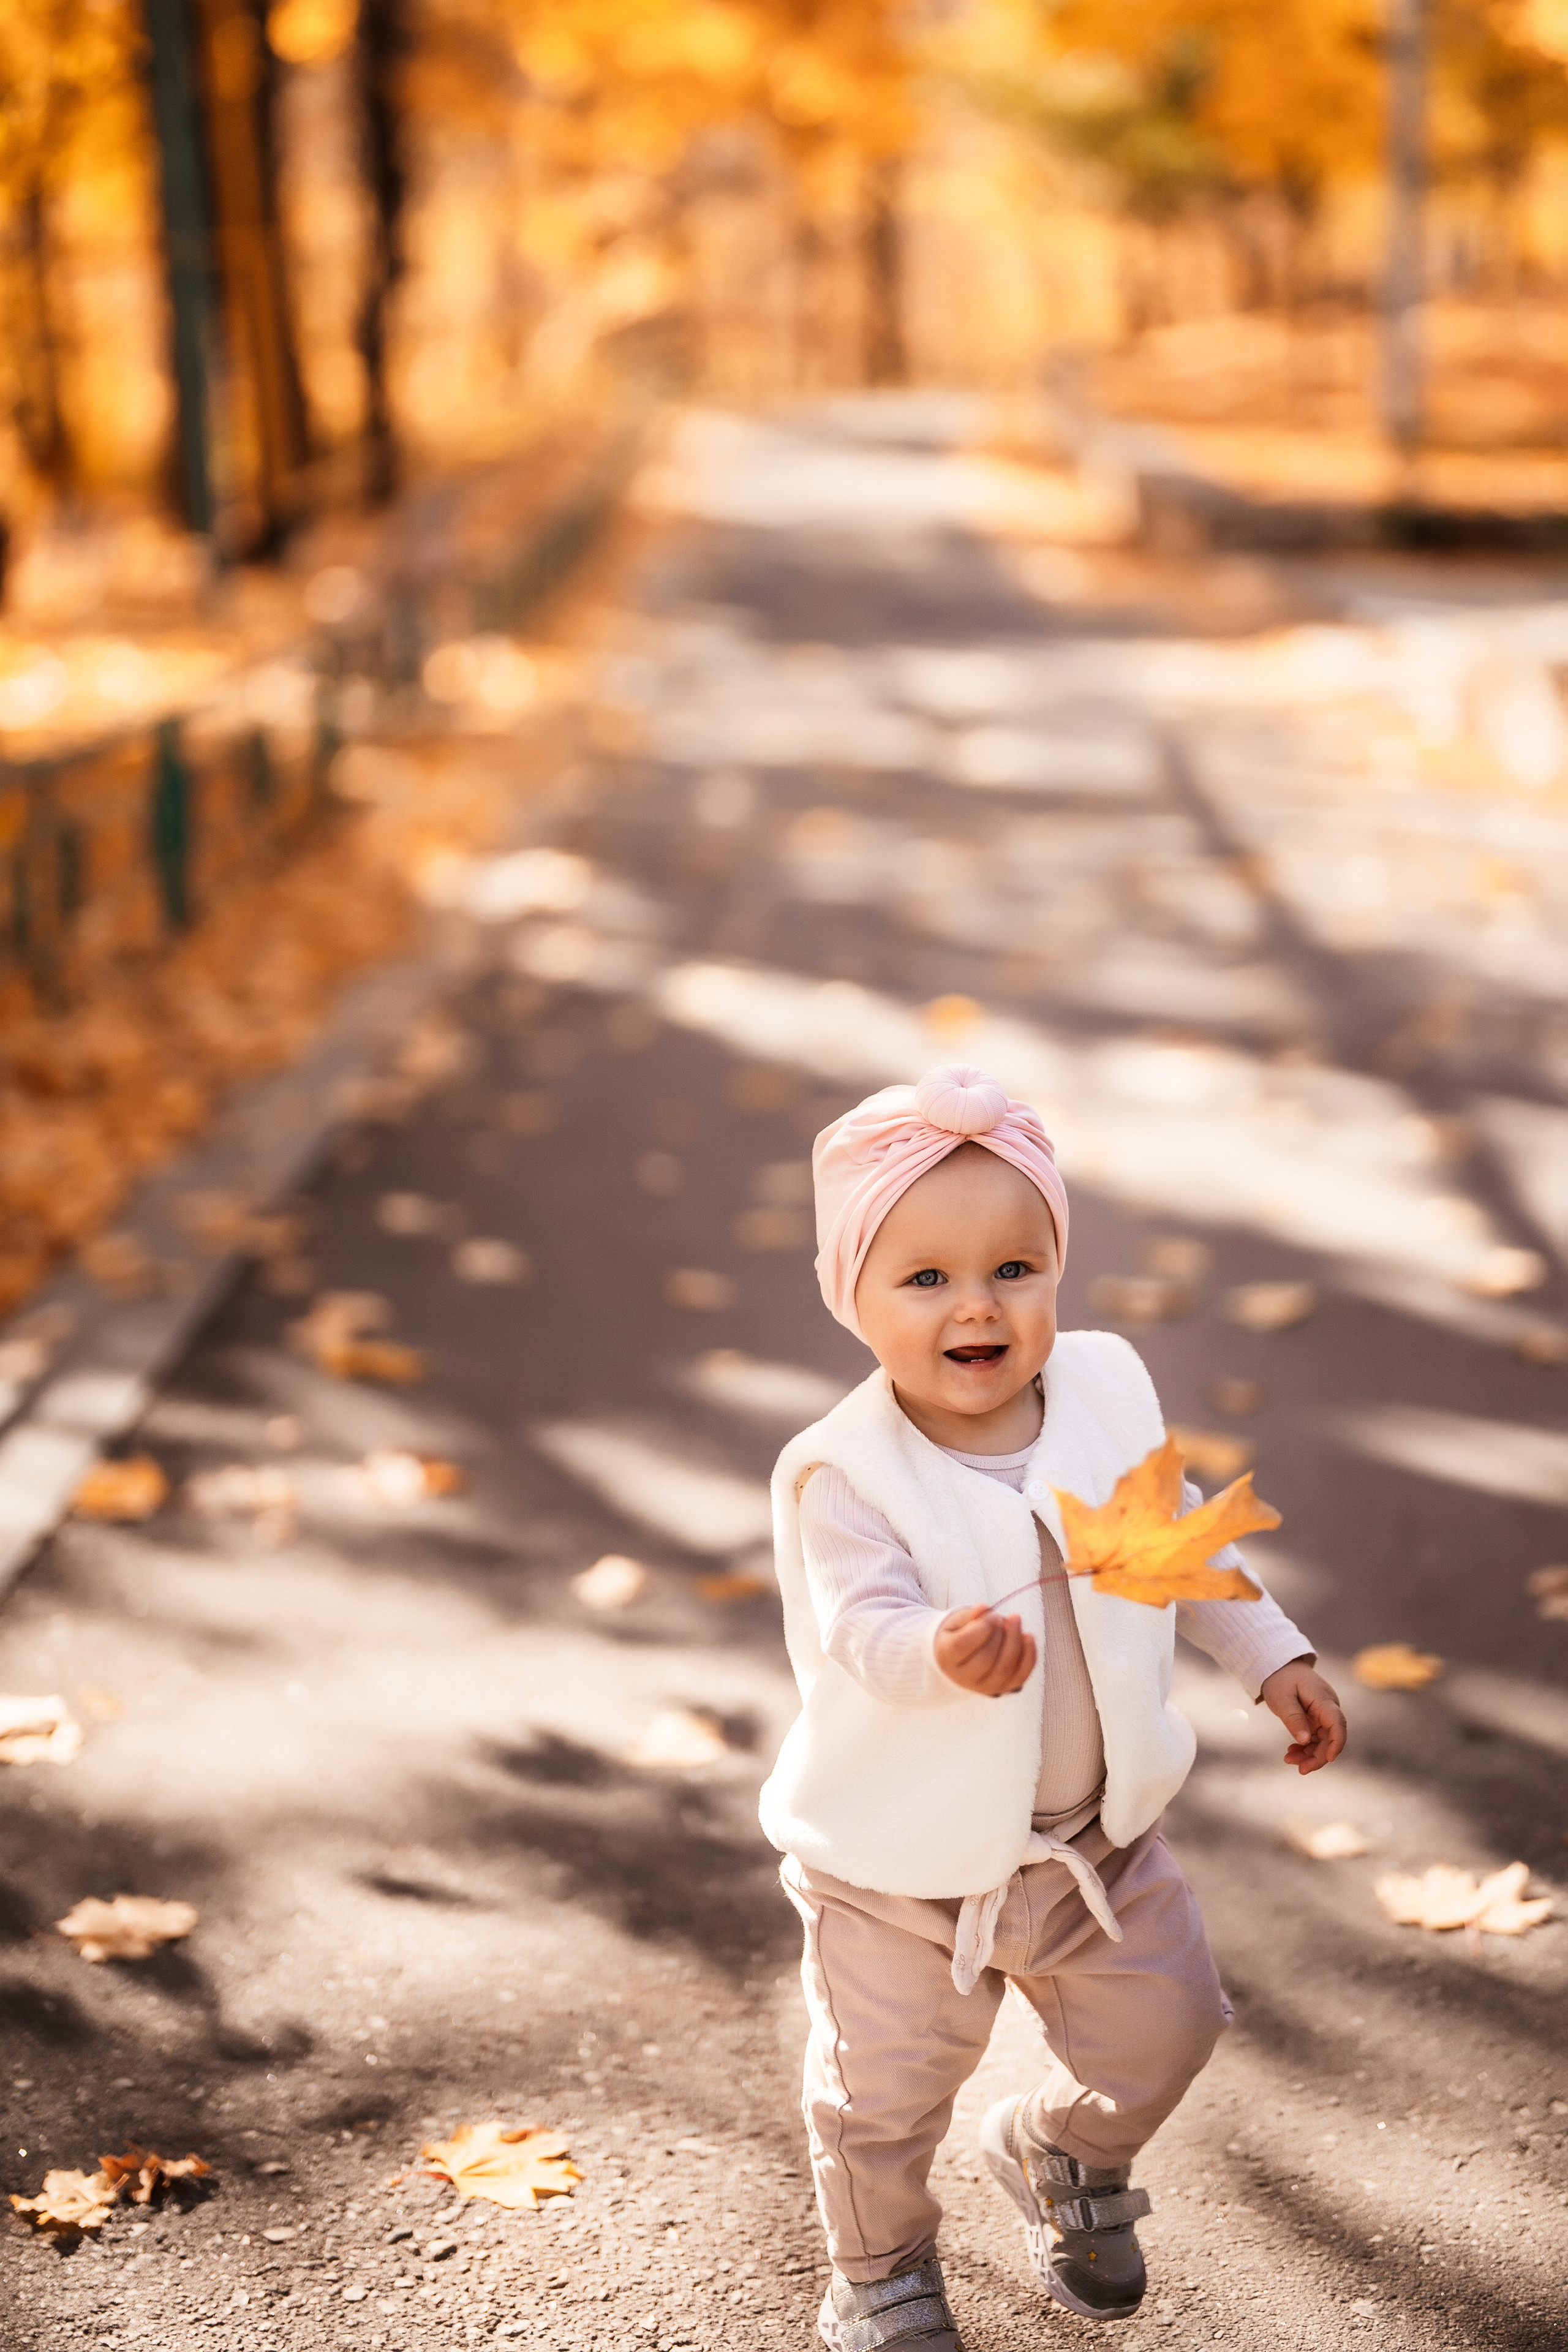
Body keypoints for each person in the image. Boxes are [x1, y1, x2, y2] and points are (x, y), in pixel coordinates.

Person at [760, 1064, 1346, 2350]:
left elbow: (1167, 1547)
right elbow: (859, 1628)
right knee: (880, 2099)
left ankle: (1060, 2149)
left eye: (1012, 1269)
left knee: (1170, 2023)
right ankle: (878, 2268)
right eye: (922, 1279)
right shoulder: (847, 1476)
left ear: (1054, 1274)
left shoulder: (1095, 1398)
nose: (975, 1305)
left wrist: (1269, 1654)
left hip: (1092, 1843)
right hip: (896, 1875)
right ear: (849, 1297)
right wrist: (937, 1652)